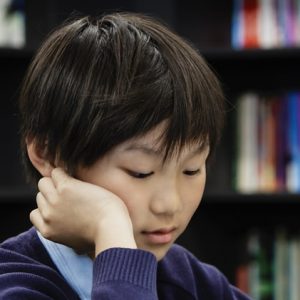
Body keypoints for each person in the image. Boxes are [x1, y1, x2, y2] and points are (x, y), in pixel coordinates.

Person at [0, 12, 251, 299]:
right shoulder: (14, 285)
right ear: (46, 154)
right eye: (140, 172)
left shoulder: (188, 278)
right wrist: (110, 228)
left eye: (192, 169)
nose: (169, 204)